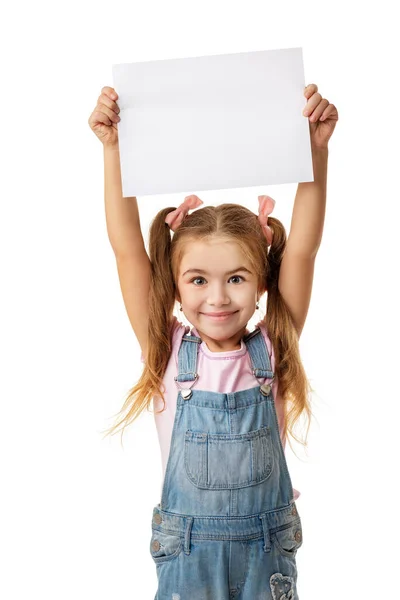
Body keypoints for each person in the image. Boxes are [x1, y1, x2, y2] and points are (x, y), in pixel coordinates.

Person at [88, 83, 338, 599]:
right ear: (175, 286)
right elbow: (127, 250)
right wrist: (114, 151)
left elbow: (305, 251)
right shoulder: (165, 351)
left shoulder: (274, 349)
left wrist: (316, 151)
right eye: (198, 279)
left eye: (237, 278)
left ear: (263, 281)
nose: (218, 298)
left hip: (264, 557)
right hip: (188, 558)